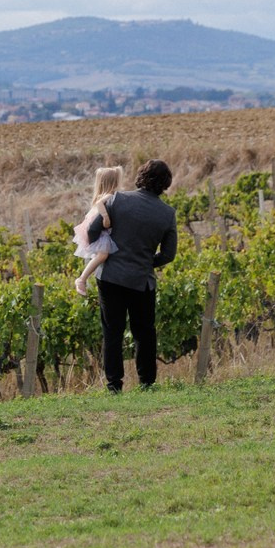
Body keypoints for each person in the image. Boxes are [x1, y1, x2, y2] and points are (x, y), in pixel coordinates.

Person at [84, 159, 177, 391]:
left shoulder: (117, 200)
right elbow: (168, 255)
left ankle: (114, 384)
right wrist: (146, 262)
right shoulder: (167, 214)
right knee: (144, 332)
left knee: (112, 331)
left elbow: (92, 232)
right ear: (165, 184)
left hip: (110, 278)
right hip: (142, 281)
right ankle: (147, 382)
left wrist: (107, 251)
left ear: (141, 177)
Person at [71, 165, 126, 294]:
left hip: (99, 230)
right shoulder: (108, 195)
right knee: (103, 255)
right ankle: (82, 279)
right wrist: (106, 218)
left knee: (100, 256)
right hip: (101, 232)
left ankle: (88, 277)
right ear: (114, 182)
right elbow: (99, 204)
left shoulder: (104, 194)